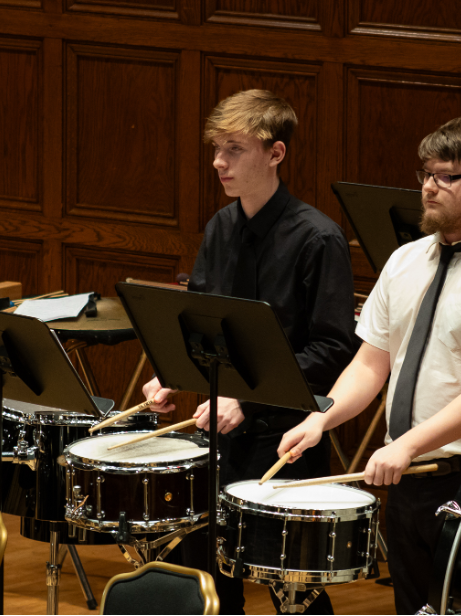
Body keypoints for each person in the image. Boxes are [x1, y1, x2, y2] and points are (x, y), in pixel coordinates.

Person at [278, 116, 461, 614]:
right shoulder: (405, 261)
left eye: (447, 176)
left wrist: (406, 444)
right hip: (405, 481)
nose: (429, 187)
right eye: (426, 173)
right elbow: (369, 365)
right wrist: (321, 419)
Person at [142, 89, 357, 615]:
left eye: (234, 149)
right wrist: (170, 372)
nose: (219, 162)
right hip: (218, 433)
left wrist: (247, 398)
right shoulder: (220, 228)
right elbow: (197, 325)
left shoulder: (318, 239)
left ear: (275, 153)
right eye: (217, 148)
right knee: (208, 581)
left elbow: (332, 350)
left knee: (293, 591)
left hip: (286, 440)